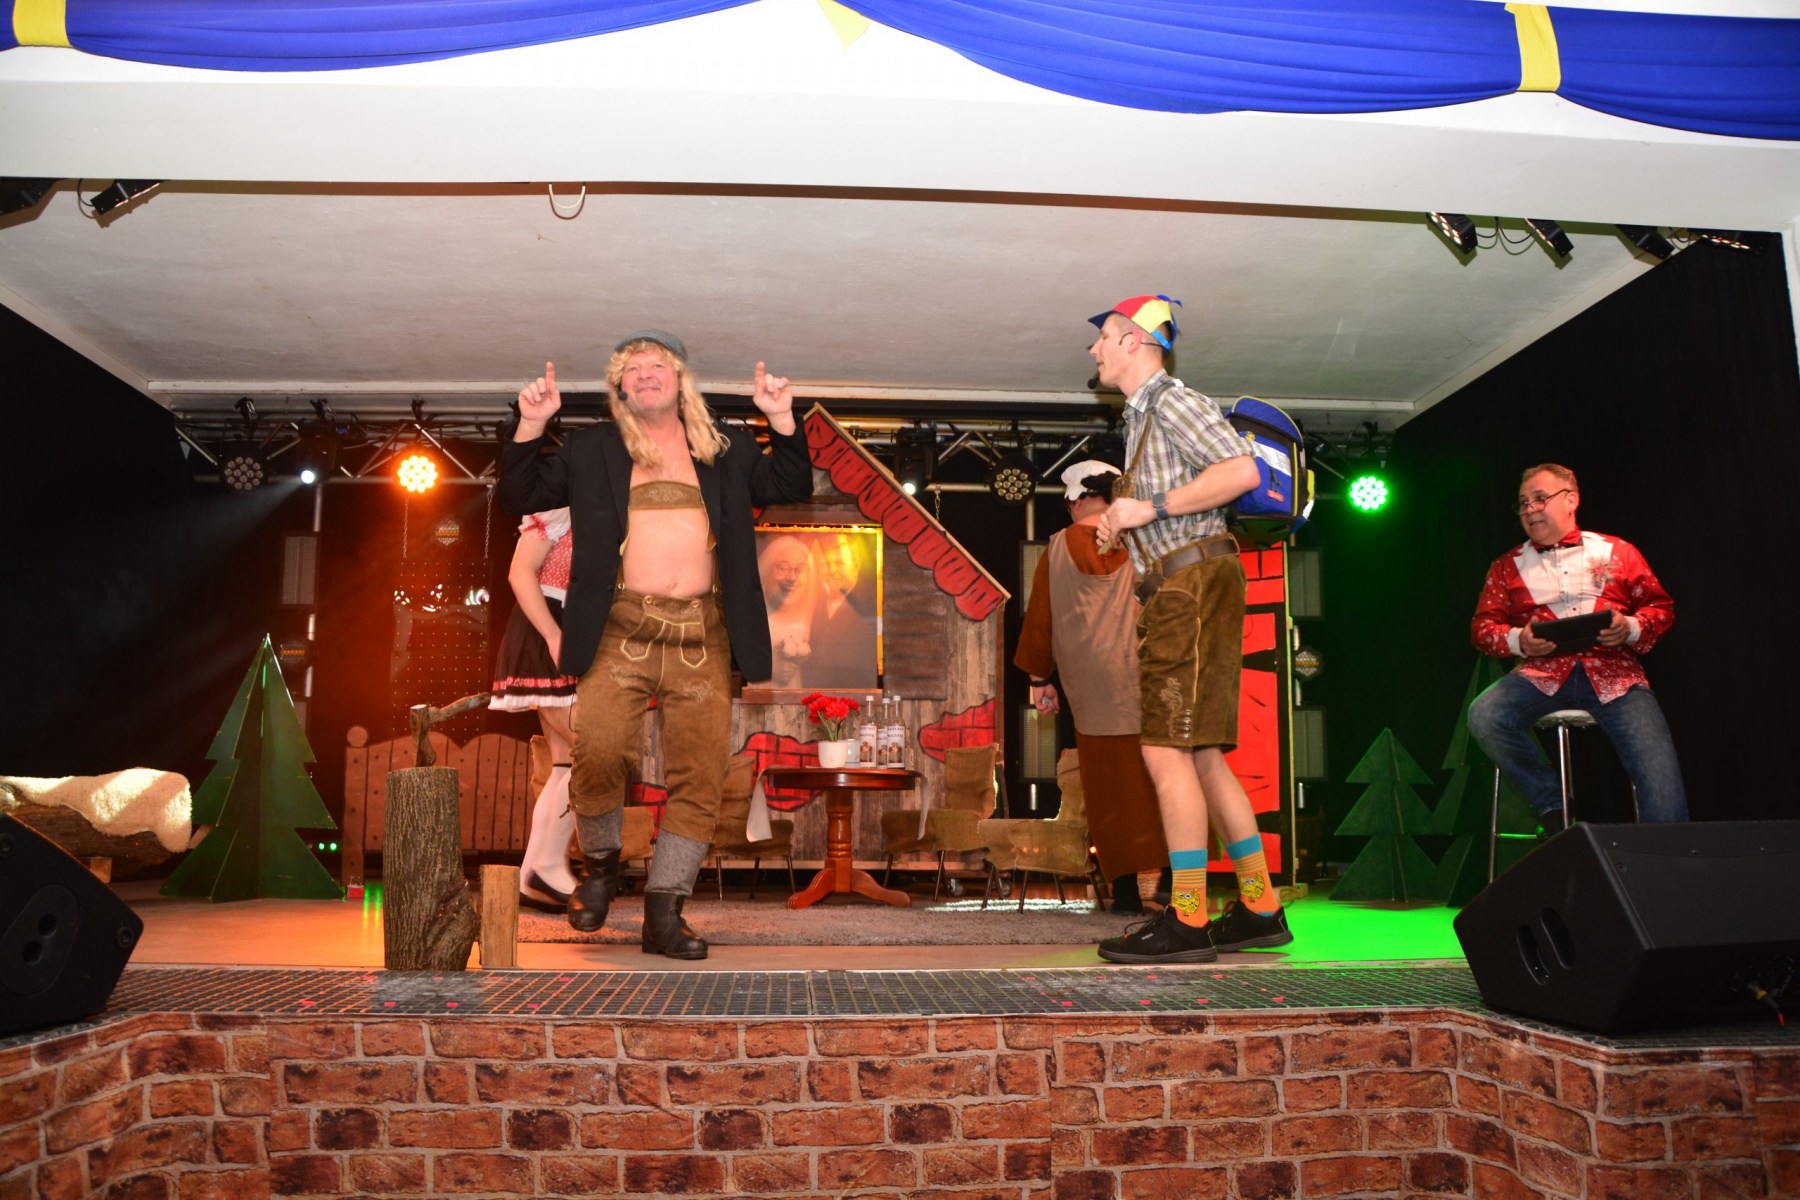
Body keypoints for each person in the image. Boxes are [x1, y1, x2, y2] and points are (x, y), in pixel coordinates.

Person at [497, 332, 813, 958]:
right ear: (619, 387)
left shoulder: (721, 446)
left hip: (703, 636)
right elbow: (519, 495)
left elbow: (790, 482)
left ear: (679, 378)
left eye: (656, 364)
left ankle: (665, 912)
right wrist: (531, 426)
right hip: (620, 630)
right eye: (631, 368)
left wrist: (781, 418)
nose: (644, 373)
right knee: (596, 753)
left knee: (700, 776)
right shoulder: (592, 448)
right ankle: (600, 867)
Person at [1083, 294, 1294, 963]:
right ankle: (1259, 906)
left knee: (1164, 751)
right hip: (1192, 581)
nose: (1094, 349)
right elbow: (1168, 505)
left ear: (1135, 342)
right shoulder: (1144, 419)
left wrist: (1148, 509)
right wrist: (1124, 521)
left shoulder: (1171, 399)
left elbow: (1242, 470)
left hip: (1190, 585)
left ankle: (1188, 917)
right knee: (1201, 754)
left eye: (1103, 337)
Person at [1467, 464, 1687, 831]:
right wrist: (1519, 639)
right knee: (1485, 715)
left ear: (1571, 500)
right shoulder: (1506, 566)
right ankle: (1552, 807)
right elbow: (1482, 629)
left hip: (1615, 675)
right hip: (1541, 675)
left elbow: (1660, 608)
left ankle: (1666, 856)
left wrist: (1630, 628)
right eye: (1523, 503)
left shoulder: (1618, 551)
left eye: (1540, 499)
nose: (1530, 509)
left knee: (1658, 769)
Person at [1014, 459, 1169, 913]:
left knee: (1109, 791)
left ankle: (1125, 891)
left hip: (1093, 693)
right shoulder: (1143, 541)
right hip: (1150, 681)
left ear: (1078, 499)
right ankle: (1174, 884)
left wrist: (1040, 679)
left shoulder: (1057, 549)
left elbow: (1040, 619)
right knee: (1165, 780)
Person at [488, 508, 581, 911]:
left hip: (565, 627)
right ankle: (548, 865)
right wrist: (553, 634)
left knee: (567, 761)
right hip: (547, 626)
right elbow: (519, 572)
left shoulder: (595, 509)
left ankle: (533, 872)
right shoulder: (561, 507)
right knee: (595, 752)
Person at [807, 531, 878, 688]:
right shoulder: (813, 601)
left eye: (839, 563)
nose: (831, 570)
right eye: (826, 564)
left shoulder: (871, 606)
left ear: (856, 565)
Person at [758, 534, 816, 687]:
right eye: (783, 568)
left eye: (800, 571)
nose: (792, 578)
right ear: (768, 569)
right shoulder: (754, 613)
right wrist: (770, 669)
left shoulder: (809, 612)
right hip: (761, 688)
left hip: (793, 688)